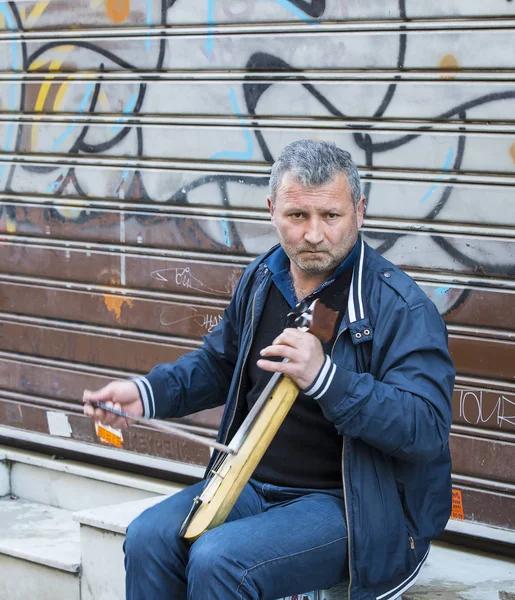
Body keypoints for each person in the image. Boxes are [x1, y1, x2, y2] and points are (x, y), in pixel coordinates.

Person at [84, 140, 455, 600]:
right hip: (251, 483)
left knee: (220, 561)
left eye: (331, 216)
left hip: (355, 507)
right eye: (298, 216)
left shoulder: (400, 307)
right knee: (148, 539)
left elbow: (426, 427)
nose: (314, 234)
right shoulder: (264, 277)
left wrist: (327, 380)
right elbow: (219, 364)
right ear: (272, 210)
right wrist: (145, 393)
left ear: (359, 211)